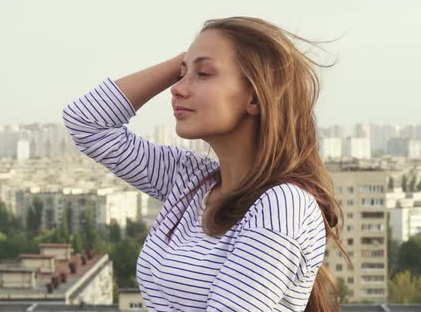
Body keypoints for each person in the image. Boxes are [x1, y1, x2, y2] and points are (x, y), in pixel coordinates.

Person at [62, 17, 345, 311]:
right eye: (180, 75)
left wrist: (191, 61)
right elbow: (87, 124)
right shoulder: (191, 182)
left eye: (204, 74)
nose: (177, 89)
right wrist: (184, 62)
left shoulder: (283, 205)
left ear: (255, 97)